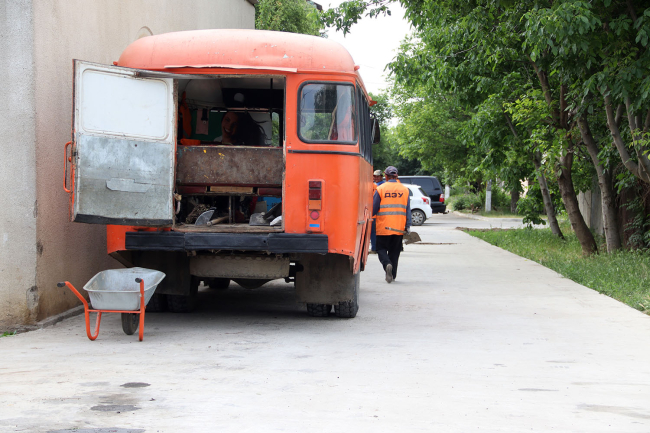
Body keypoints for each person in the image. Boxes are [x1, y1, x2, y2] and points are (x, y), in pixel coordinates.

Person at [373, 166, 411, 283]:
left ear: (386, 176)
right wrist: (408, 225)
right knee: (395, 252)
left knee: (381, 249)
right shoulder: (405, 190)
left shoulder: (380, 189)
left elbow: (374, 208)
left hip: (383, 227)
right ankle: (392, 275)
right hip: (399, 227)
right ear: (396, 176)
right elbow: (407, 210)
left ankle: (387, 264)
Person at [370, 170, 385, 253]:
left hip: (377, 212)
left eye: (377, 176)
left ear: (381, 177)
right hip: (377, 212)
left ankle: (375, 248)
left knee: (373, 232)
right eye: (374, 176)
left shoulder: (378, 187)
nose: (376, 178)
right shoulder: (376, 186)